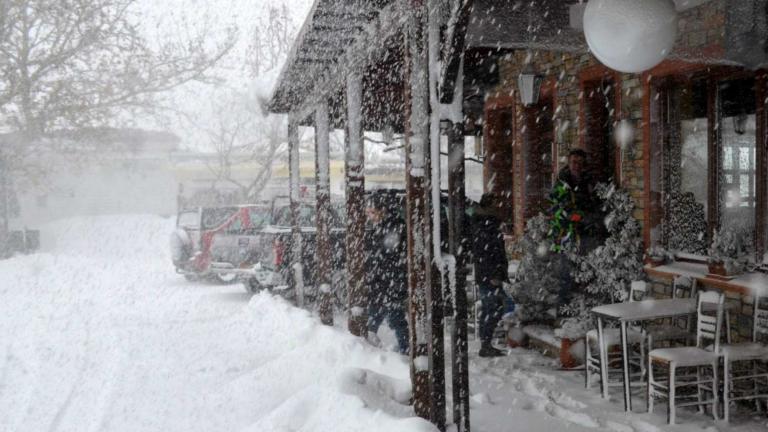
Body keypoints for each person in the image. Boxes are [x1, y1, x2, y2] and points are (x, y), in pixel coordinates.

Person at [551, 148, 601, 307]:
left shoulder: (589, 182)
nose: (576, 165)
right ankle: (564, 306)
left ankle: (584, 304)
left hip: (586, 232)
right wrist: (575, 216)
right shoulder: (561, 182)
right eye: (574, 162)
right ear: (568, 162)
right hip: (566, 233)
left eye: (580, 162)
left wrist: (591, 218)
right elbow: (558, 207)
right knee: (565, 270)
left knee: (586, 269)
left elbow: (596, 203)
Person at [365, 190, 409, 354]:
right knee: (384, 317)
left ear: (383, 210)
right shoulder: (384, 226)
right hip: (384, 281)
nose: (369, 216)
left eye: (372, 212)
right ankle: (404, 349)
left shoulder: (393, 227)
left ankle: (405, 350)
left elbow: (388, 255)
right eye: (368, 213)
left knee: (392, 317)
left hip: (390, 281)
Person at [471, 193, 509, 358]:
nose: (499, 206)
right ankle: (485, 345)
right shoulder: (486, 225)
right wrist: (494, 274)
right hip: (489, 275)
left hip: (488, 274)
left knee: (492, 309)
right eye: (496, 203)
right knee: (492, 309)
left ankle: (486, 344)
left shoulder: (486, 223)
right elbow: (487, 252)